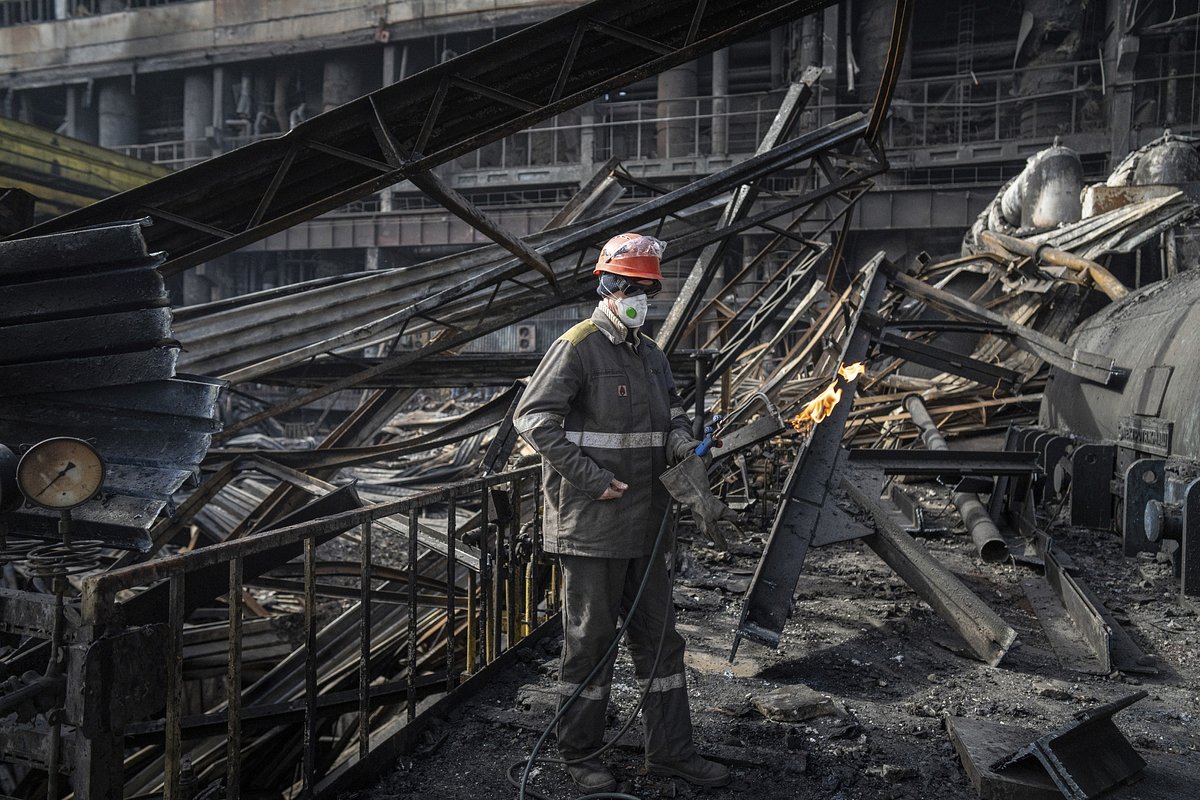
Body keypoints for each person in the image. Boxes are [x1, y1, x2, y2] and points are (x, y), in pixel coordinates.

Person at [513, 232, 730, 793]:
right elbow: (533, 420)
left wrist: (683, 441)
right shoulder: (578, 346)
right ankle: (580, 755)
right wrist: (589, 478)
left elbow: (673, 413)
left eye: (648, 290)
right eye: (632, 288)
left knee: (661, 640)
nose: (641, 299)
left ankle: (671, 753)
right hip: (592, 525)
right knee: (589, 641)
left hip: (647, 522)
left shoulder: (650, 353)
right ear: (608, 286)